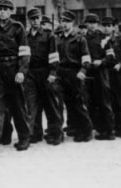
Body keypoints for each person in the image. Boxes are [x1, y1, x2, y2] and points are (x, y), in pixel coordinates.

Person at [0, 0, 32, 154]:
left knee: (17, 104)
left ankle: (24, 137)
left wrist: (22, 71)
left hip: (13, 68)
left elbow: (24, 52)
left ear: (11, 11)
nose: (2, 11)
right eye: (0, 9)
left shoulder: (18, 28)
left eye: (5, 9)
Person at [49, 10, 93, 143]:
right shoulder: (58, 39)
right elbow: (54, 58)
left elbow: (86, 58)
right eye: (63, 21)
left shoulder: (80, 39)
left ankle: (86, 131)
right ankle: (58, 135)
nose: (65, 24)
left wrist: (83, 71)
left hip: (75, 74)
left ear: (72, 23)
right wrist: (53, 73)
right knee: (58, 105)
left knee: (77, 104)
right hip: (61, 73)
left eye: (68, 21)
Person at [25, 8, 62, 144]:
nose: (35, 21)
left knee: (50, 104)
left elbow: (54, 56)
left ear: (40, 19)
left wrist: (53, 73)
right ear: (29, 20)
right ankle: (35, 133)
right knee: (32, 104)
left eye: (37, 18)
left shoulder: (49, 35)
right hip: (31, 73)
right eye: (32, 18)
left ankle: (55, 133)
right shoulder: (26, 36)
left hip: (45, 72)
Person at [84, 14, 115, 140]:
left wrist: (101, 62)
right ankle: (96, 128)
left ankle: (109, 131)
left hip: (101, 72)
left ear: (97, 24)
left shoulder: (104, 39)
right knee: (90, 102)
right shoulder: (82, 38)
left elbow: (111, 58)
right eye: (89, 23)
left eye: (94, 23)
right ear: (86, 24)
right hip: (87, 72)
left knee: (104, 102)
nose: (91, 25)